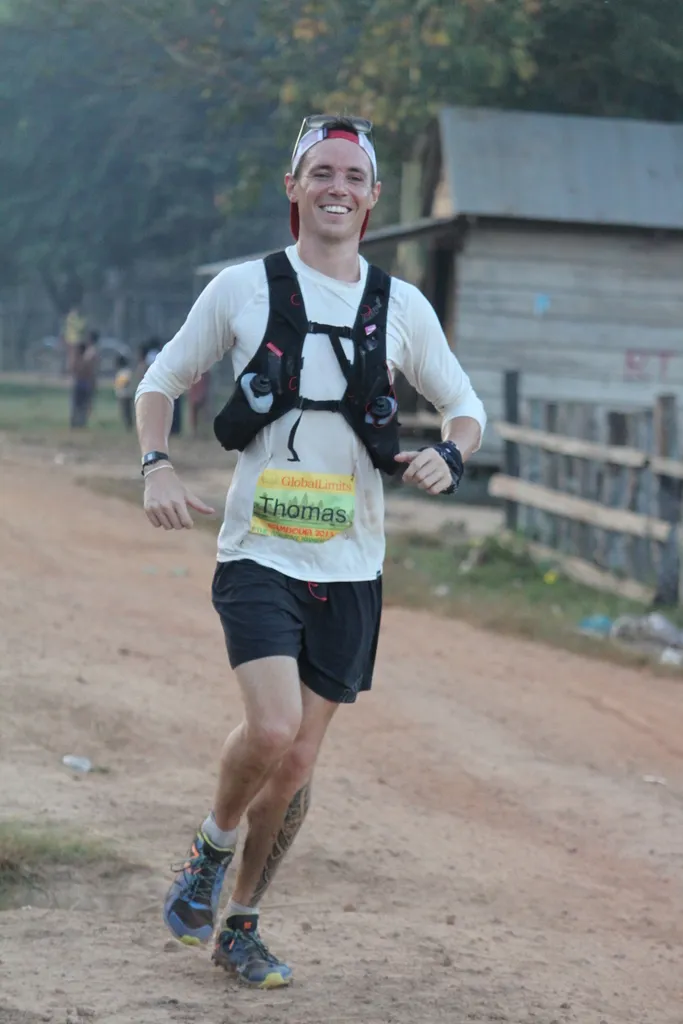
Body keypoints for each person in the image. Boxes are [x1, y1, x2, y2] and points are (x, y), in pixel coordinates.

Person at [134, 113, 486, 989]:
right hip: (258, 551)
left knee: (294, 764)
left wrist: (447, 454)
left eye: (352, 176)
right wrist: (155, 467)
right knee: (273, 725)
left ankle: (240, 924)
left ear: (371, 197)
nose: (336, 187)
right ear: (292, 188)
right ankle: (209, 853)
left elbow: (465, 407)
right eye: (319, 172)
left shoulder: (400, 307)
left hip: (352, 564)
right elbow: (160, 379)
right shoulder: (242, 289)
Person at [70, 329, 99, 428]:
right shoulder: (90, 352)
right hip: (84, 382)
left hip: (83, 382)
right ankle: (79, 423)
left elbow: (86, 370)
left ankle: (79, 423)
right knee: (82, 404)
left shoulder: (90, 353)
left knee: (80, 404)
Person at [113, 354, 134, 431]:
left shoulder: (126, 371)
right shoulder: (120, 372)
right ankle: (126, 426)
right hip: (121, 395)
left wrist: (121, 384)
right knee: (123, 412)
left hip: (126, 395)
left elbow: (126, 381)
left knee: (127, 412)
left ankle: (129, 426)